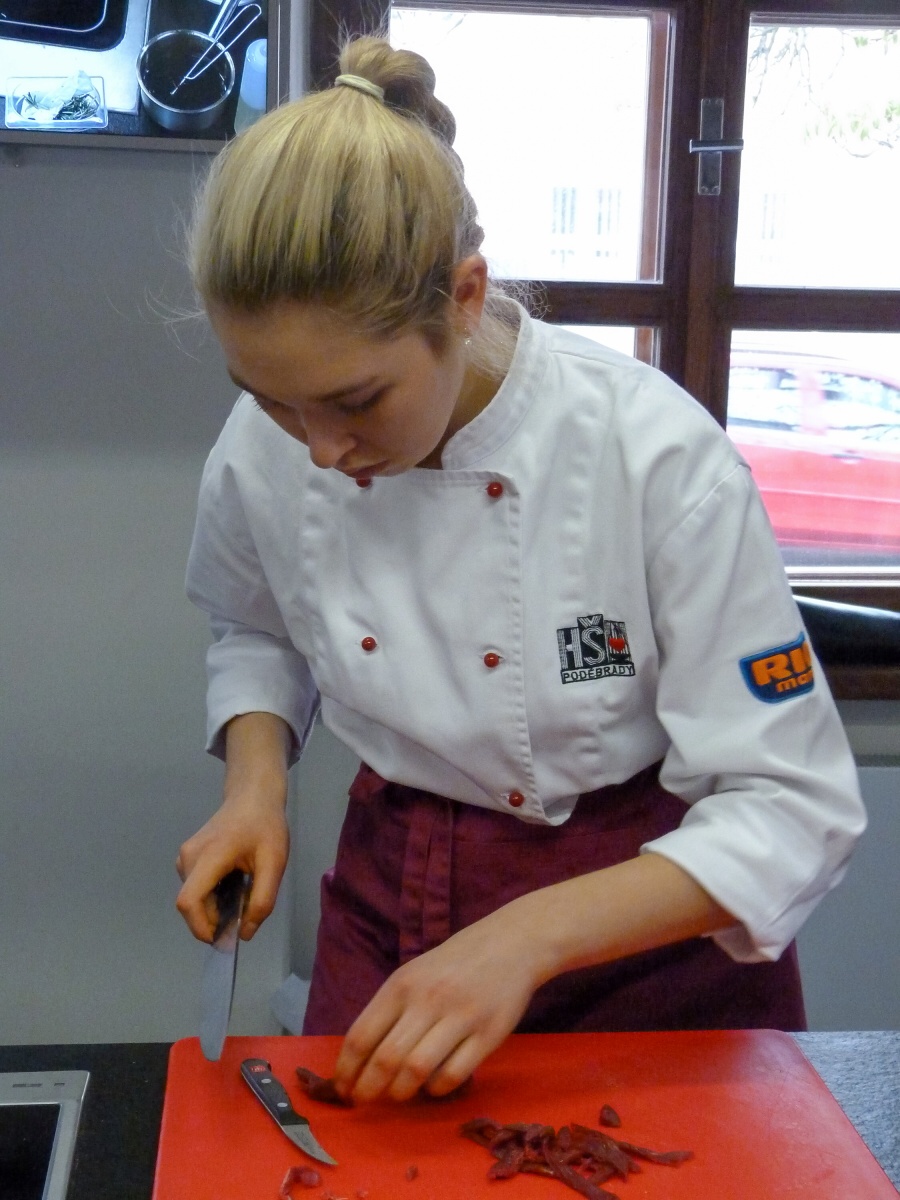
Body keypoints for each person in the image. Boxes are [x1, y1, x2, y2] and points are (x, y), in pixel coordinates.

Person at [176, 34, 865, 1105]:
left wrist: (524, 936)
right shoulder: (270, 441)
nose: (316, 449)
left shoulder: (651, 456)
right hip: (389, 895)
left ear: (463, 296)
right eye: (269, 398)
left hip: (642, 935)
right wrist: (255, 786)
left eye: (356, 402)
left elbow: (793, 806)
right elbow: (259, 624)